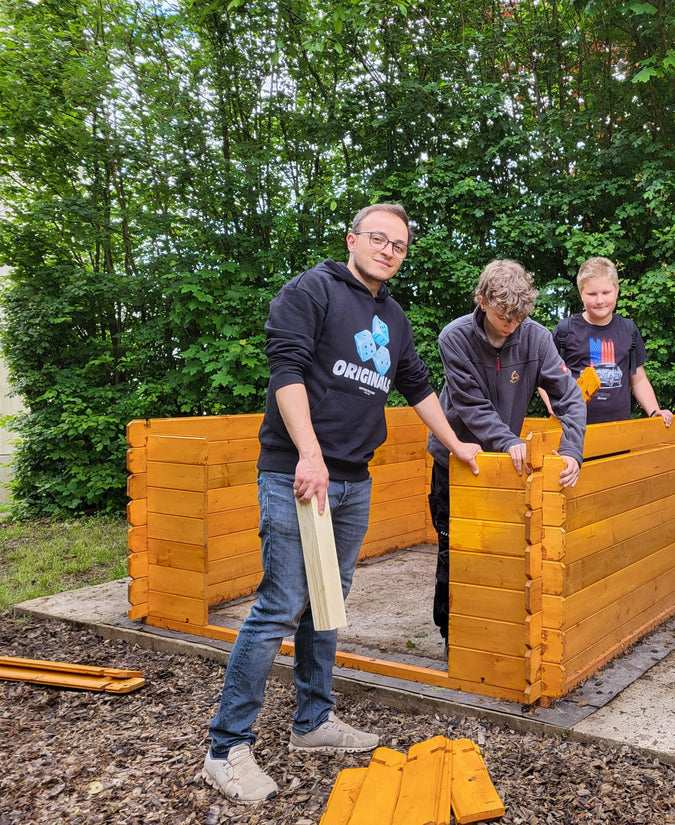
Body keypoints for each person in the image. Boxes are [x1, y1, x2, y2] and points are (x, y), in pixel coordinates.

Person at [203, 204, 481, 803]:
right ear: (353, 239)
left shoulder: (394, 316)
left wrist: (457, 444)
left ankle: (312, 721)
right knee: (280, 606)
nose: (388, 250)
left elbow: (418, 386)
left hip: (353, 478)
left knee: (331, 600)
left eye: (399, 245)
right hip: (298, 472)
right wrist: (309, 454)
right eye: (378, 239)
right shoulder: (312, 291)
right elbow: (286, 372)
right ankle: (226, 748)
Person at [427, 260, 586, 644]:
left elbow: (570, 397)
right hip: (456, 460)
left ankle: (494, 636)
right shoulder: (454, 338)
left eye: (518, 318)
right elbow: (473, 406)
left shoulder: (536, 338)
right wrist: (511, 441)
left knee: (503, 548)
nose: (511, 326)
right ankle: (453, 634)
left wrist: (572, 452)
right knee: (455, 546)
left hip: (505, 465)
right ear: (481, 301)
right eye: (503, 317)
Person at [544, 256, 673, 426]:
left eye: (606, 293)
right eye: (592, 294)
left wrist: (654, 411)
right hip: (573, 431)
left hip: (619, 431)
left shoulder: (628, 329)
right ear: (581, 293)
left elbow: (638, 379)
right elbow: (544, 375)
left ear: (617, 290)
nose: (600, 300)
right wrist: (553, 405)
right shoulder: (565, 330)